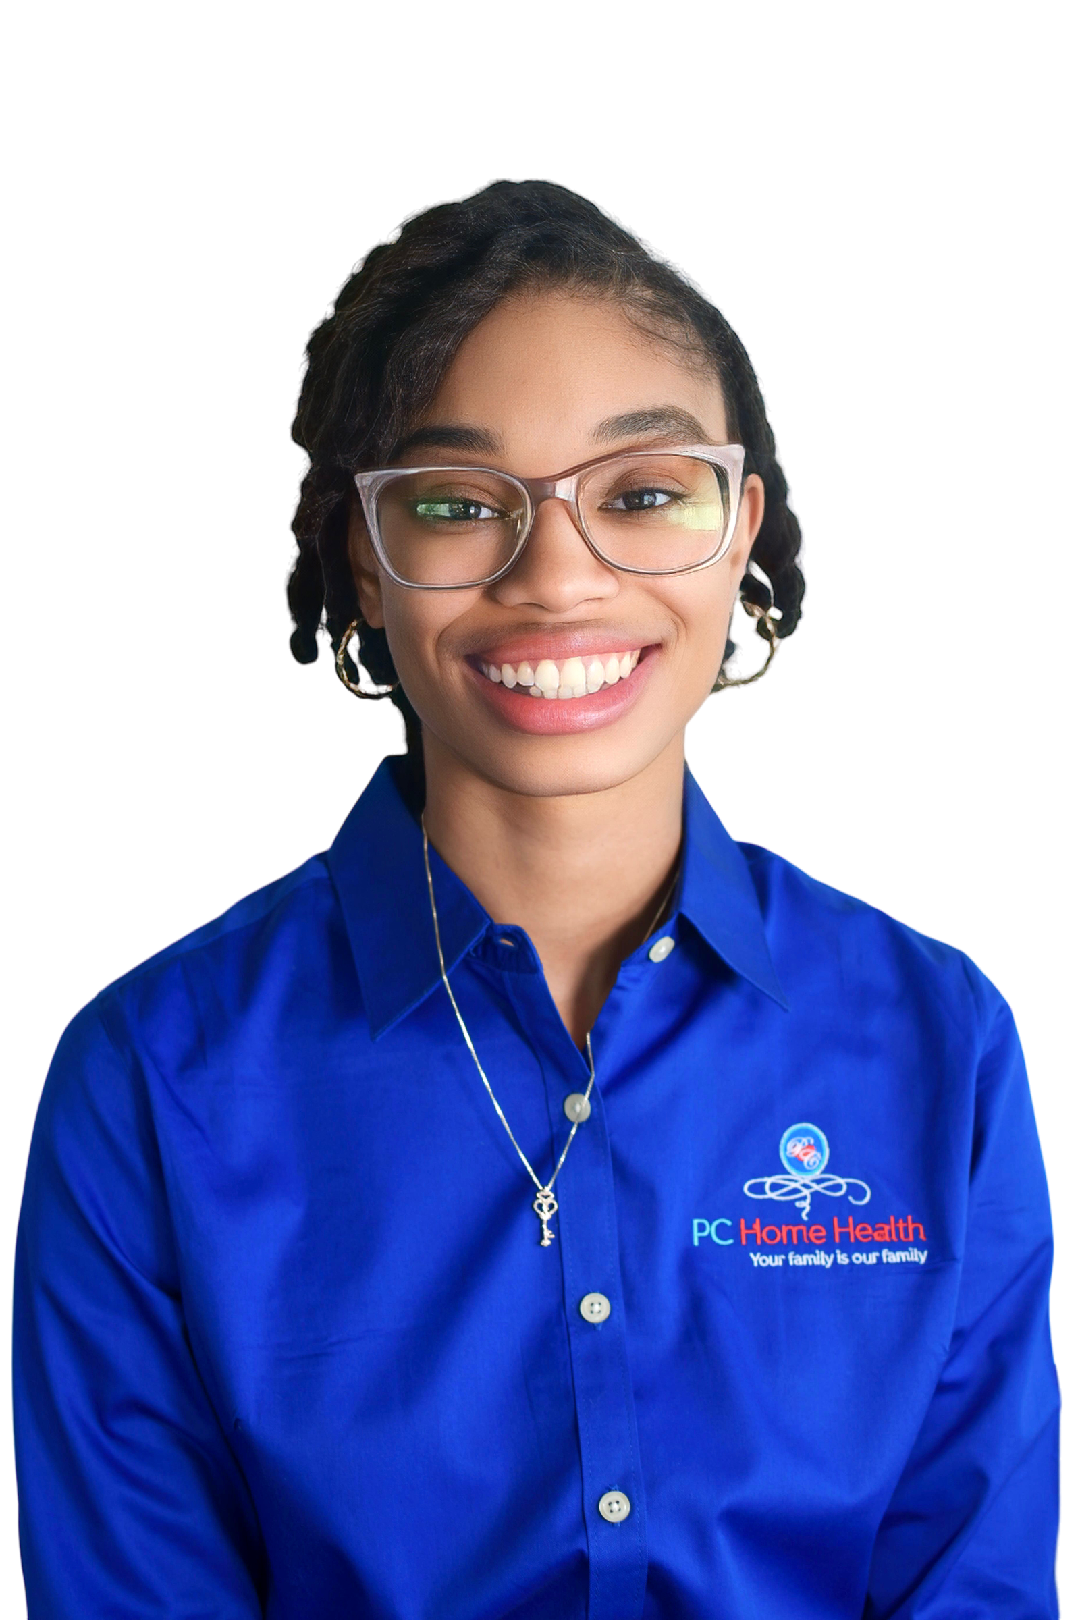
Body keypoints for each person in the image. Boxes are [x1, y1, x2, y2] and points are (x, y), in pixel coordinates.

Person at [12, 180, 1060, 1618]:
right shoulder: (152, 1078)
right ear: (366, 568)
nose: (557, 577)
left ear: (741, 532)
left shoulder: (945, 1041)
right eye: (455, 505)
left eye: (642, 494)